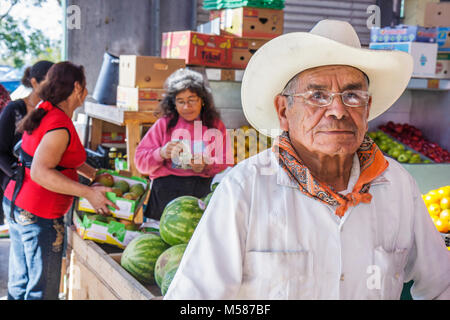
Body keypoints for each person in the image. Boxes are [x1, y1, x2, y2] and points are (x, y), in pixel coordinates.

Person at [164, 20, 450, 300]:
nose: (337, 110)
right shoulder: (244, 189)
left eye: (352, 95)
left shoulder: (397, 186)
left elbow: (441, 286)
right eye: (317, 95)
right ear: (283, 111)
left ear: (367, 108)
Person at [2, 61, 119, 300]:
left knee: (21, 282)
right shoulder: (58, 125)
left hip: (18, 203)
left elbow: (61, 157)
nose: (86, 92)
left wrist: (93, 175)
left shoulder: (45, 109)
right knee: (41, 291)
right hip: (39, 214)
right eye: (85, 87)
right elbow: (41, 172)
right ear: (77, 88)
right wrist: (87, 192)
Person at [135, 68, 233, 220]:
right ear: (173, 104)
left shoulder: (214, 126)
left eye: (192, 100)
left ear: (202, 100)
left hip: (201, 195)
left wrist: (206, 165)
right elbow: (140, 163)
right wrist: (161, 153)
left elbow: (226, 162)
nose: (187, 107)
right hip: (164, 195)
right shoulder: (163, 125)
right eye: (180, 101)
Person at [0, 61, 53, 232]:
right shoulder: (14, 110)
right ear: (34, 83)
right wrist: (17, 175)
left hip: (39, 188)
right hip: (13, 185)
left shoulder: (49, 112)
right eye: (49, 83)